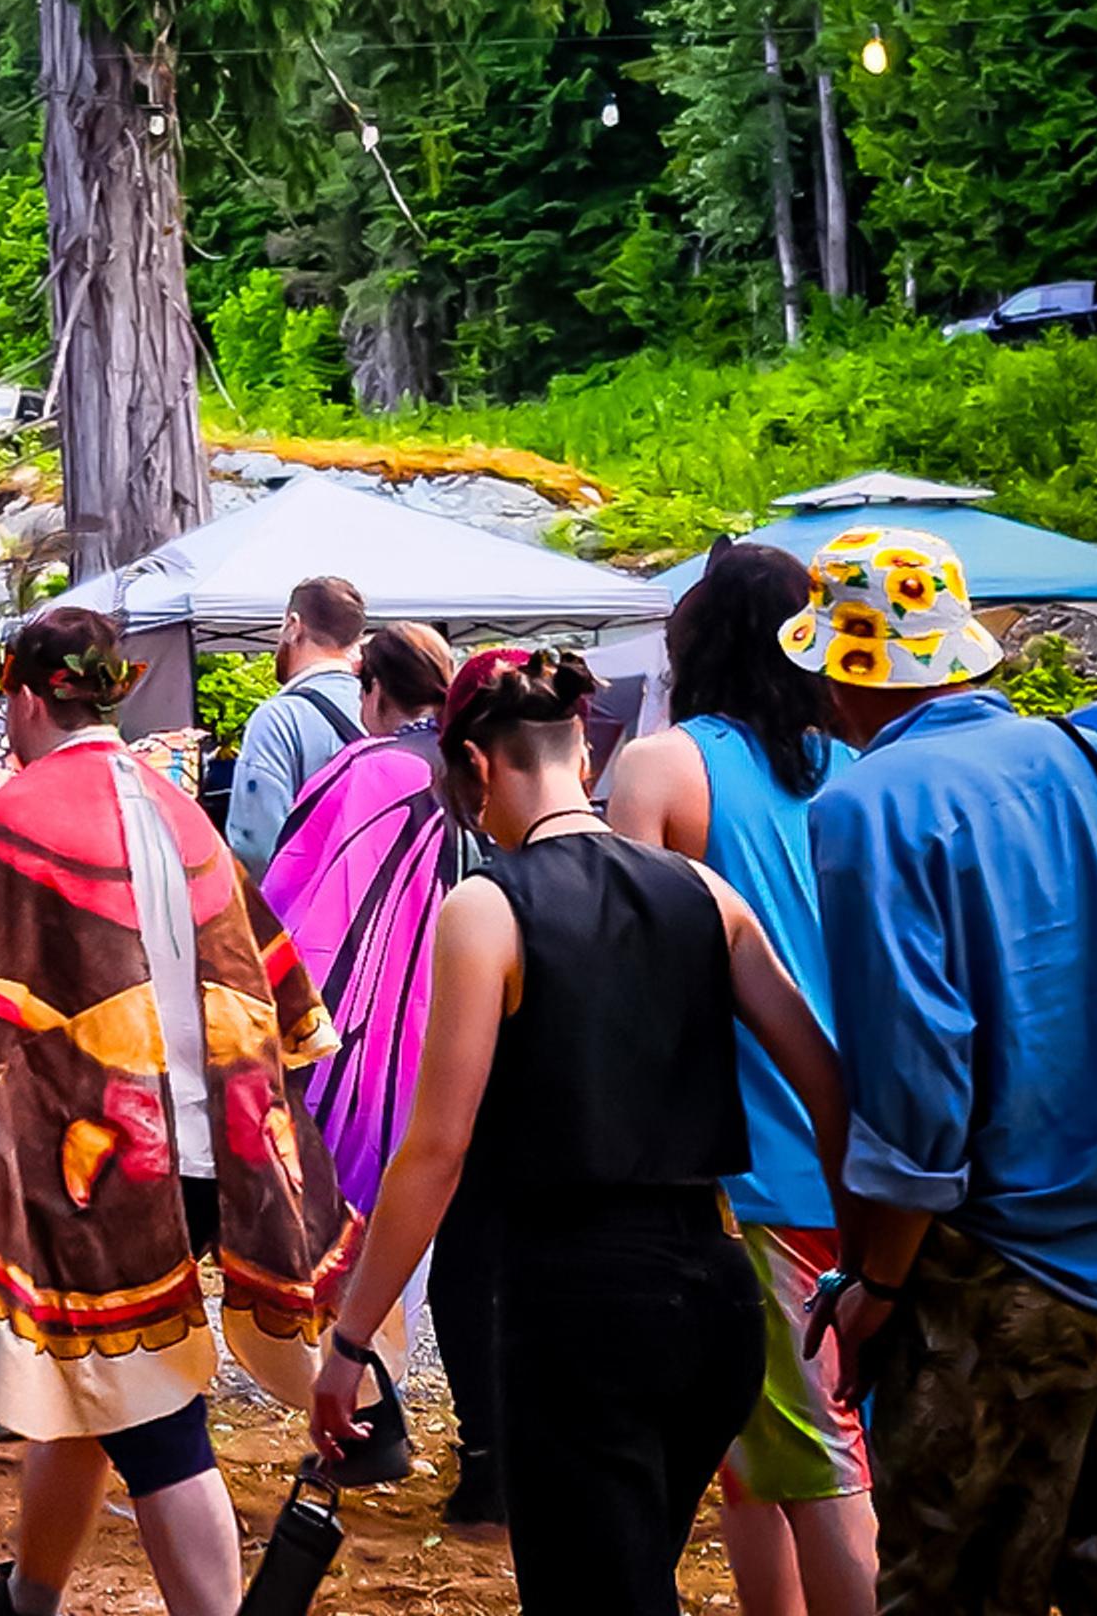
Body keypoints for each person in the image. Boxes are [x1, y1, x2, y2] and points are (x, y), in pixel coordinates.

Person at [0, 605, 352, 1616]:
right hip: (227, 1146)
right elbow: (265, 980)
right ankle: (26, 1596)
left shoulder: (9, 818)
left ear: (28, 696)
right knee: (93, 1382)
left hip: (100, 1157)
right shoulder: (178, 806)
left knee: (159, 1425)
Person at [309, 646, 841, 1616]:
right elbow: (827, 1083)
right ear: (584, 758)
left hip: (576, 1304)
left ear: (475, 768)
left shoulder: (485, 908)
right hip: (717, 1301)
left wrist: (351, 1343)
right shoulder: (705, 894)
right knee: (639, 1575)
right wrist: (870, 1270)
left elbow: (436, 1150)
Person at [788, 527, 1097, 1616]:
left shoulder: (870, 807)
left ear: (835, 672)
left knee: (957, 1587)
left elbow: (916, 1085)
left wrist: (879, 1285)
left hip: (995, 1281)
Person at [609, 543, 874, 1616]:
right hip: (874, 1154)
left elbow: (614, 963)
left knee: (818, 1459)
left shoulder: (663, 768)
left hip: (746, 1164)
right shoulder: (859, 767)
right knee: (759, 1449)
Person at [238, 617, 460, 1480]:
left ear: (373, 691)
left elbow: (288, 890)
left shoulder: (364, 769)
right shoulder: (466, 768)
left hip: (358, 1028)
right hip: (453, 1015)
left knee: (342, 1215)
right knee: (424, 1218)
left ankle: (365, 1415)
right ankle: (419, 1419)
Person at [221, 574, 369, 874]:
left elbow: (257, 844)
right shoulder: (383, 708)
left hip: (309, 911)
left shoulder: (278, 718)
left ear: (294, 626)